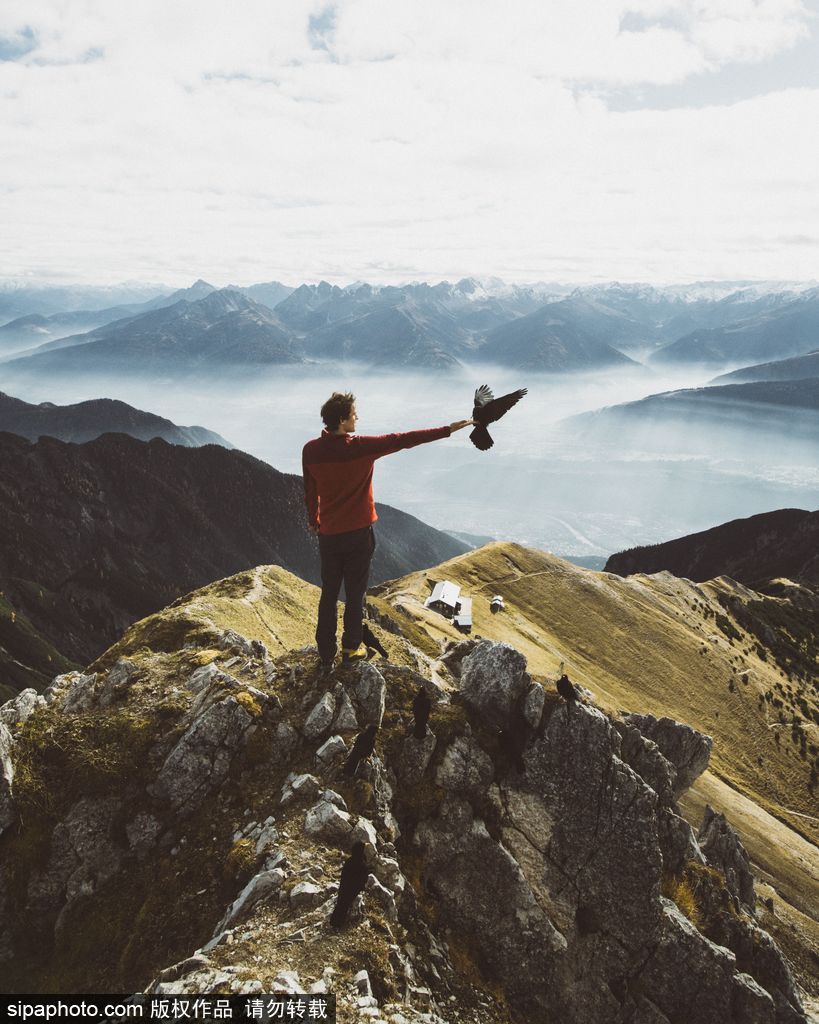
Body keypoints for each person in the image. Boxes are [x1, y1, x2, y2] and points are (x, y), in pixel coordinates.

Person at [302, 391, 472, 669]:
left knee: (329, 593)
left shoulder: (310, 450)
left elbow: (310, 492)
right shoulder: (361, 447)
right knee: (355, 595)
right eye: (353, 414)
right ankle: (351, 649)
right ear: (342, 420)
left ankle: (325, 653)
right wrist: (448, 429)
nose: (357, 417)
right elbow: (402, 439)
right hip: (358, 535)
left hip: (329, 535)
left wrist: (314, 520)